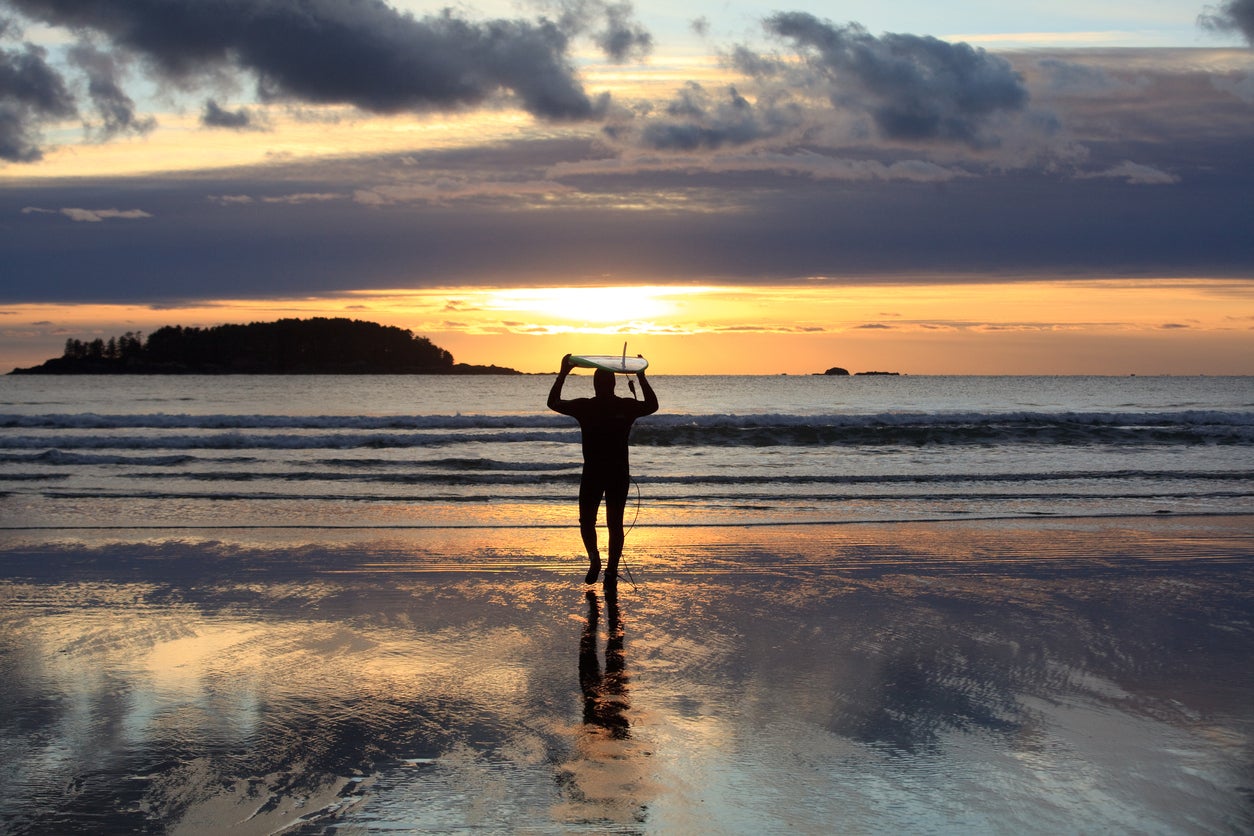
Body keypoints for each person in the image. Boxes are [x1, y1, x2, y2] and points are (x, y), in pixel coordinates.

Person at [548, 354, 658, 585]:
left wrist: (563, 373)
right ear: (614, 383)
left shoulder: (586, 406)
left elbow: (553, 402)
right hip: (616, 472)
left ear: (596, 384)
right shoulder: (624, 406)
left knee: (588, 521)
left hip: (595, 473)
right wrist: (640, 376)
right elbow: (652, 405)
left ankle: (596, 561)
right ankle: (607, 569)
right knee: (613, 523)